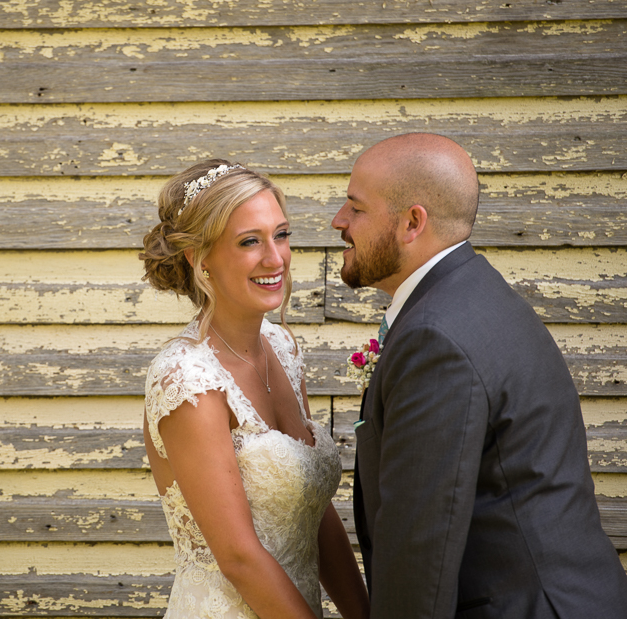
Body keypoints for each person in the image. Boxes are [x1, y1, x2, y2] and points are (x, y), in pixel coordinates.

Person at [332, 132, 627, 618]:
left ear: (412, 222)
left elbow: (420, 545)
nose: (339, 221)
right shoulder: (475, 295)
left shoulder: (436, 337)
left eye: (356, 208)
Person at [140, 160, 370, 619]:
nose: (275, 258)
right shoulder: (188, 379)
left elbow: (312, 507)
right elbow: (239, 558)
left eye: (280, 235)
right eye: (250, 241)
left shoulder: (282, 348)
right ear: (199, 258)